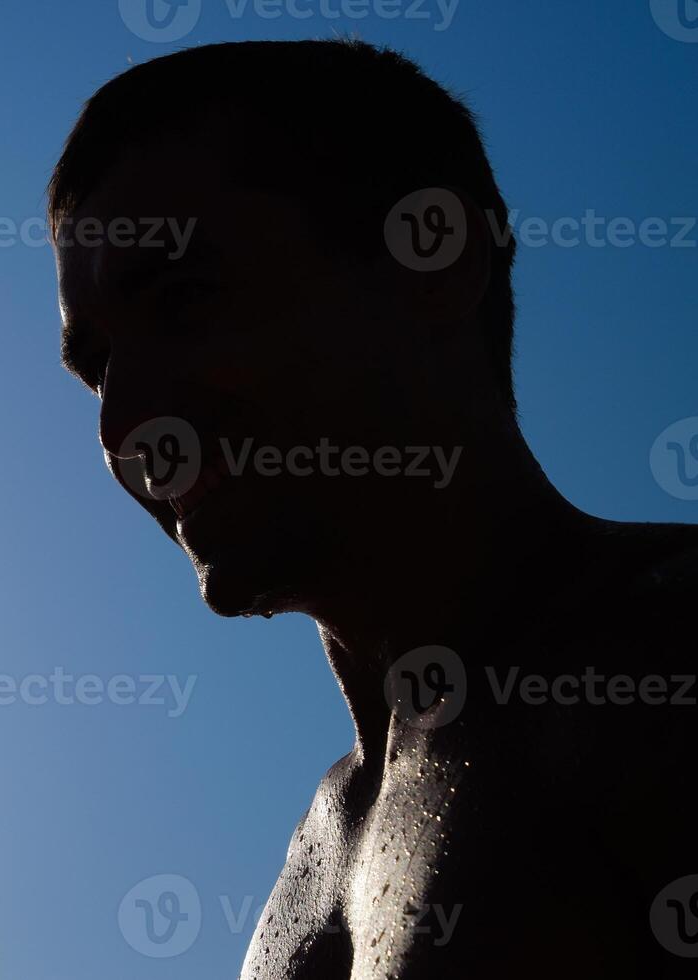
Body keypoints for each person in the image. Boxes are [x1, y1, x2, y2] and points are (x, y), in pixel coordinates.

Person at [49, 39, 698, 977]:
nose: (126, 421)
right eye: (96, 368)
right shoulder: (314, 854)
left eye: (183, 300)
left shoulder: (663, 654)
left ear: (432, 261)